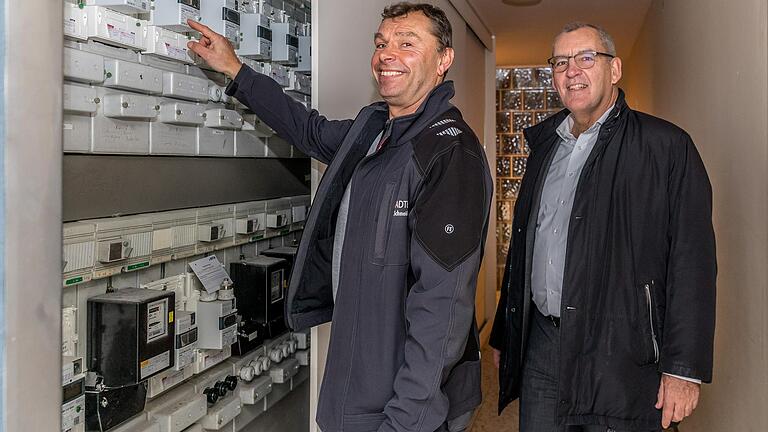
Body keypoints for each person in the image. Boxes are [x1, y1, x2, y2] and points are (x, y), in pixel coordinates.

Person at [187, 3, 492, 432]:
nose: (388, 54)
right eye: (382, 43)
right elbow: (309, 130)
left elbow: (441, 308)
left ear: (443, 60)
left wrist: (408, 421)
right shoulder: (374, 130)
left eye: (408, 44)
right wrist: (236, 70)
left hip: (401, 401)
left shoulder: (448, 153)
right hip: (353, 378)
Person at [490, 22, 716, 432]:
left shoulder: (665, 147)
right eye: (560, 62)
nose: (571, 70)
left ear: (614, 70)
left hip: (622, 353)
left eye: (586, 58)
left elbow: (692, 261)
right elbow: (525, 246)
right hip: (543, 345)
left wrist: (683, 368)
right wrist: (507, 334)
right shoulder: (545, 147)